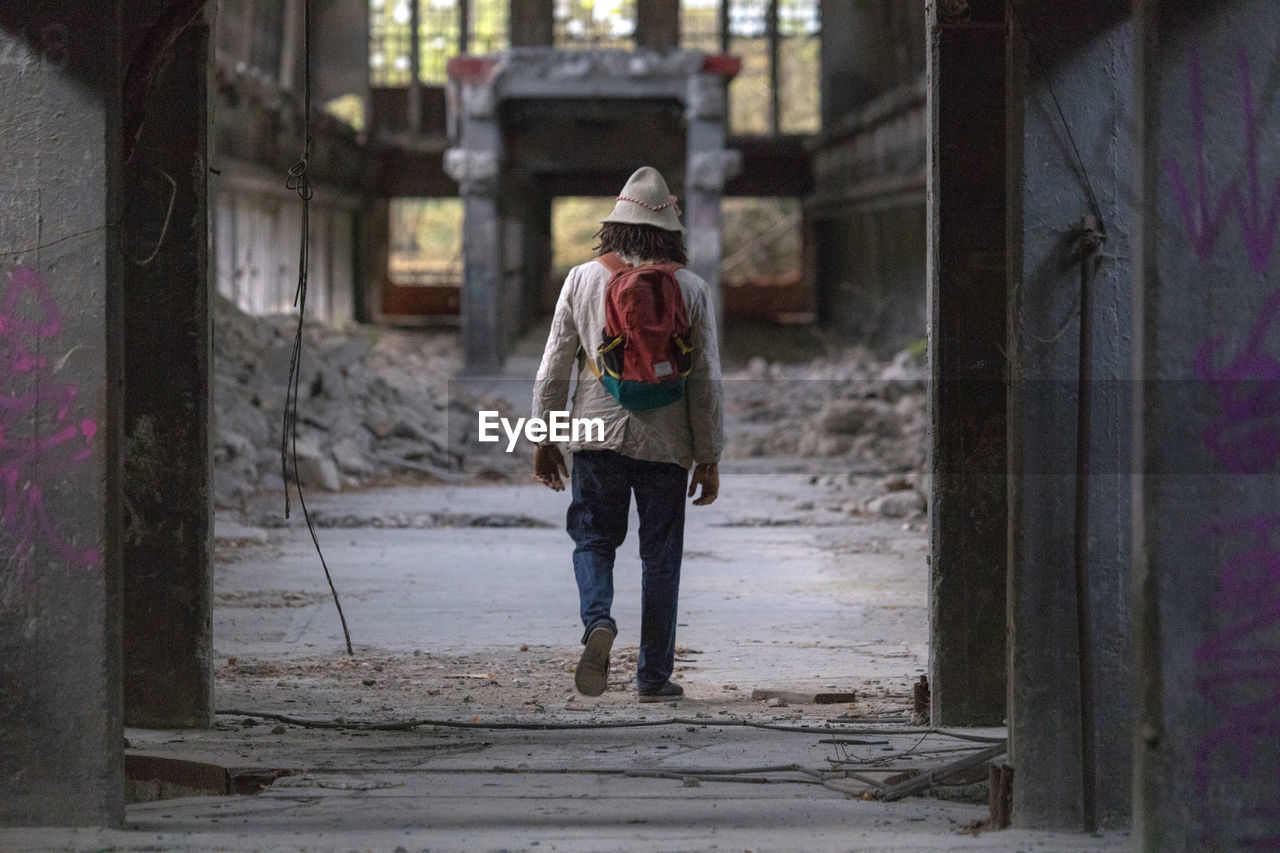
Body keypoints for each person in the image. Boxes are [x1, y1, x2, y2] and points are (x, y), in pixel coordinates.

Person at [531, 166, 724, 703]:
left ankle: (598, 621)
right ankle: (653, 677)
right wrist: (709, 456)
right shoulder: (691, 289)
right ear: (671, 233)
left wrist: (545, 437)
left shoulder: (582, 279)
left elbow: (554, 367)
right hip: (667, 444)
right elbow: (704, 378)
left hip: (595, 434)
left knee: (593, 539)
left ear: (614, 228)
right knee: (660, 557)